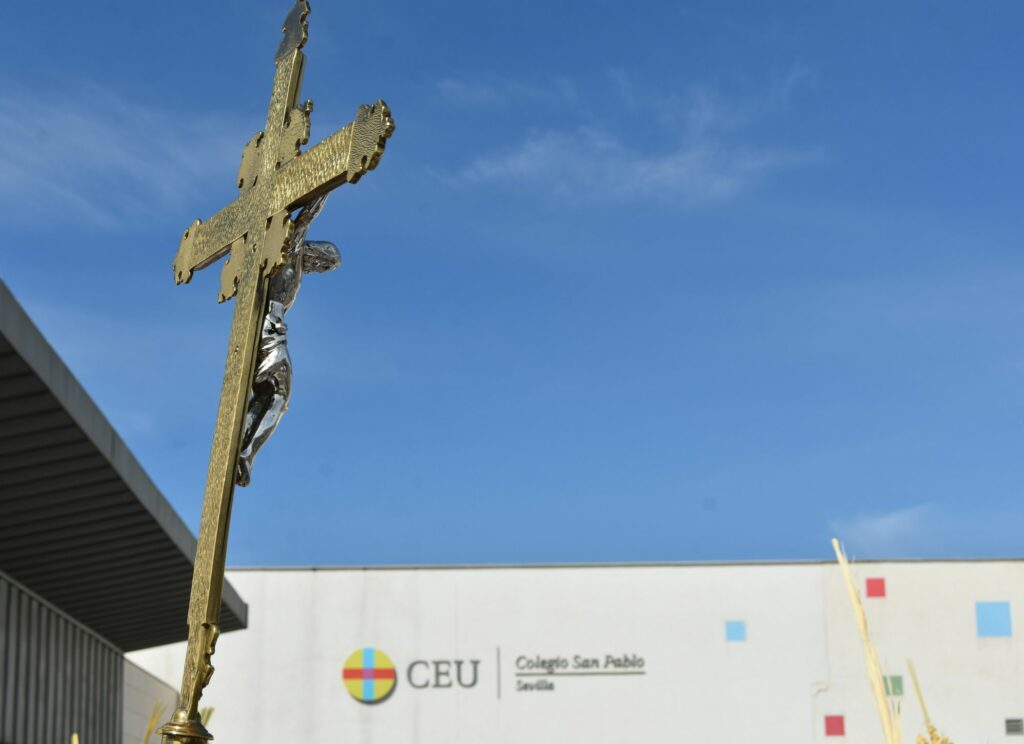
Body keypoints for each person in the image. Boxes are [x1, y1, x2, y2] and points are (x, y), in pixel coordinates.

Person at [236, 196, 340, 486]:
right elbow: (306, 217)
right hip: (270, 324)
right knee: (279, 390)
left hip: (270, 323)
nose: (321, 265)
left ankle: (243, 444)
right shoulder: (289, 245)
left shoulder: (286, 263)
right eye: (323, 261)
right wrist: (325, 183)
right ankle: (245, 452)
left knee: (270, 391)